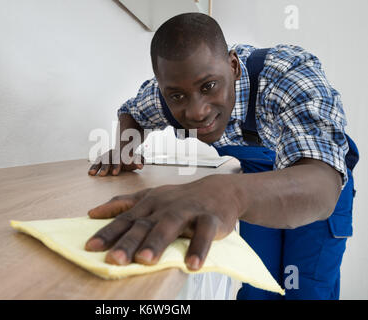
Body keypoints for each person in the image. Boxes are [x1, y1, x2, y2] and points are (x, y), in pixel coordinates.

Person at [84, 12, 359, 300]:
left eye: (208, 87)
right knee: (257, 282)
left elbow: (322, 186)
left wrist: (229, 193)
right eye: (177, 96)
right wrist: (125, 148)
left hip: (313, 183)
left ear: (233, 65)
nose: (196, 112)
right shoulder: (169, 90)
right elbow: (133, 112)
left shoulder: (287, 74)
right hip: (253, 182)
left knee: (305, 290)